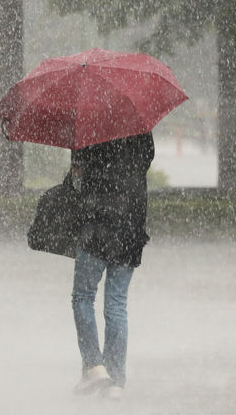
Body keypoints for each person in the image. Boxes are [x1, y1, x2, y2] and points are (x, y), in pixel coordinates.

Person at [65, 132, 154, 400]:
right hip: (130, 225)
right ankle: (115, 381)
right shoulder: (140, 128)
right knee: (116, 303)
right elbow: (145, 161)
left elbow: (77, 177)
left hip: (97, 225)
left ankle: (93, 366)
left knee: (83, 297)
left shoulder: (89, 128)